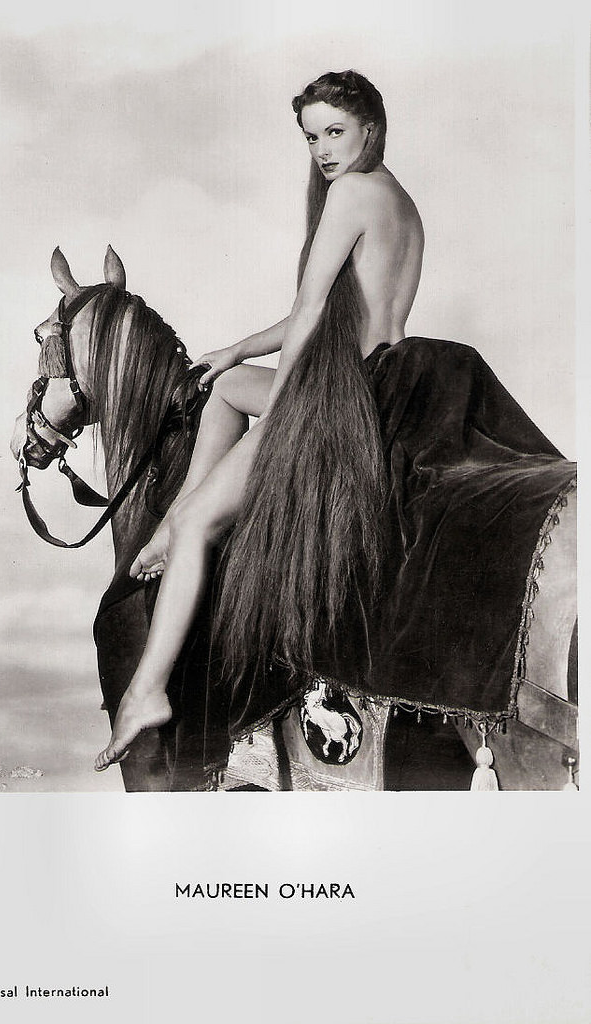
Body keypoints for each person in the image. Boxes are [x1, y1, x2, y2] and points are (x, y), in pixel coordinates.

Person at [94, 70, 423, 769]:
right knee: (224, 387)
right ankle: (167, 525)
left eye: (335, 132)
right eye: (311, 137)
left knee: (200, 524)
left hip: (337, 401)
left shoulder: (350, 194)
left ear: (370, 126)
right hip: (378, 385)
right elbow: (344, 317)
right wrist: (239, 350)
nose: (323, 150)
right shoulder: (398, 199)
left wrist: (288, 413)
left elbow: (310, 315)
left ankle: (146, 690)